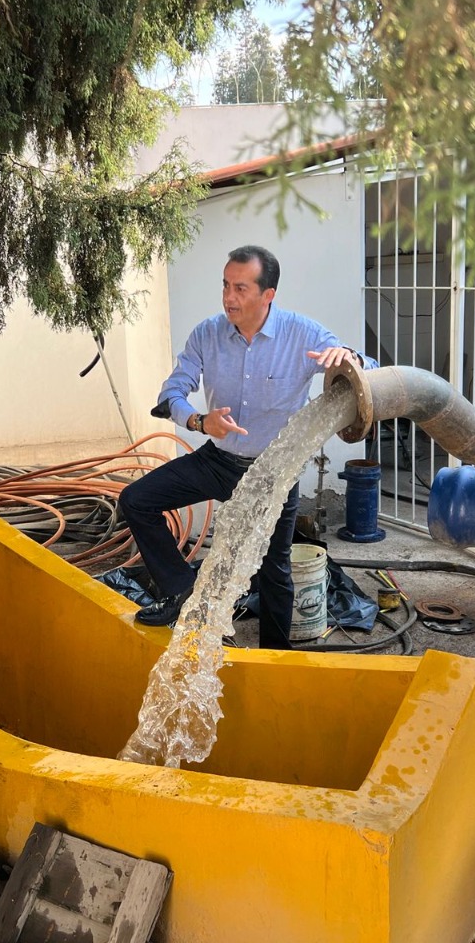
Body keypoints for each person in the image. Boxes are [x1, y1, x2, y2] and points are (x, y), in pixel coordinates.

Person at [119, 244, 375, 649]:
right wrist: (200, 421)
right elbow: (172, 392)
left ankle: (276, 656)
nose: (227, 297)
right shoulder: (207, 333)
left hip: (274, 471)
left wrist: (351, 357)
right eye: (224, 285)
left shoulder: (302, 333)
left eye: (240, 288)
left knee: (274, 568)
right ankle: (181, 589)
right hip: (218, 461)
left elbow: (368, 370)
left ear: (267, 294)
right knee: (136, 500)